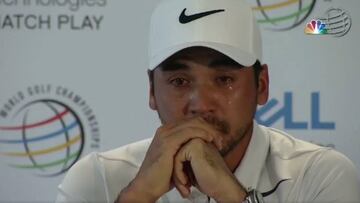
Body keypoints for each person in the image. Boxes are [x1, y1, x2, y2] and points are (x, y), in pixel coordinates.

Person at [56, 0, 360, 202]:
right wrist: (138, 195)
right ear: (151, 89)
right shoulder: (97, 180)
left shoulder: (320, 176)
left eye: (224, 79)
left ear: (261, 85)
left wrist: (231, 195)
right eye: (179, 81)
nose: (200, 104)